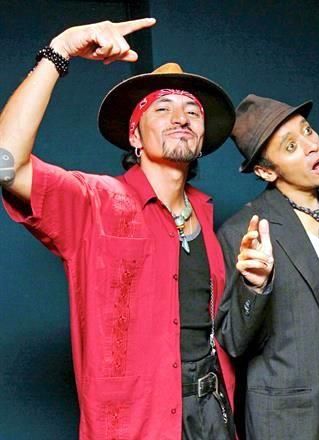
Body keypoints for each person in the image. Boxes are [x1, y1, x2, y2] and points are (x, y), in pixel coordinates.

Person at [0, 19, 239, 439]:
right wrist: (60, 50)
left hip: (213, 416)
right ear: (135, 136)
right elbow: (5, 164)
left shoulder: (205, 215)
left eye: (192, 111)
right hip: (135, 426)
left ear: (202, 138)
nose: (180, 118)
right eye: (162, 108)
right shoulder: (95, 201)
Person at [217, 95, 319, 439]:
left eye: (307, 130)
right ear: (266, 171)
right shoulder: (243, 231)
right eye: (291, 146)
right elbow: (233, 341)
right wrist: (255, 286)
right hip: (289, 420)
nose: (312, 146)